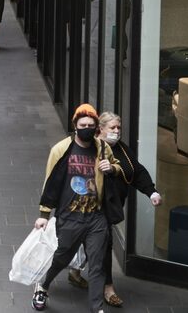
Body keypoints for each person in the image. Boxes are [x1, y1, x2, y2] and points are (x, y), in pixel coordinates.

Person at [65, 111, 163, 308]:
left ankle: (76, 273)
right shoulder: (88, 147)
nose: (117, 131)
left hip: (110, 207)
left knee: (96, 244)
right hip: (88, 207)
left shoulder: (122, 150)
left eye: (119, 128)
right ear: (100, 129)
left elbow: (136, 171)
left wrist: (151, 192)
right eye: (113, 128)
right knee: (100, 244)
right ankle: (107, 287)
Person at [32, 104, 123, 313]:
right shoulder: (61, 149)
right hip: (70, 216)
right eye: (83, 125)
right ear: (75, 125)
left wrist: (112, 168)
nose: (87, 128)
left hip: (96, 217)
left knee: (97, 263)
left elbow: (116, 165)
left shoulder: (102, 148)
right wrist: (44, 214)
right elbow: (51, 181)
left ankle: (97, 308)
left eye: (91, 125)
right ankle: (43, 286)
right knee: (62, 257)